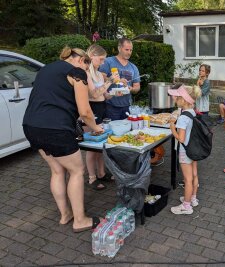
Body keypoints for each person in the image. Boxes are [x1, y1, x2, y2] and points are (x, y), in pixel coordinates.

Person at [22, 47, 102, 232]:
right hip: (55, 129)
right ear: (82, 61)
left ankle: (65, 215)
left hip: (31, 126)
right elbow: (85, 111)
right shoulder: (77, 73)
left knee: (57, 171)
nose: (86, 73)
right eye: (87, 68)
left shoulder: (46, 69)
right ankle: (80, 220)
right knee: (76, 171)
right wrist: (96, 128)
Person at [168, 85, 202, 215]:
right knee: (194, 175)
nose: (175, 99)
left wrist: (172, 126)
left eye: (177, 97)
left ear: (184, 100)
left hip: (185, 151)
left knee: (187, 179)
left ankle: (186, 206)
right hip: (193, 148)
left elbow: (180, 139)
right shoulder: (193, 111)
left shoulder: (182, 118)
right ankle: (192, 198)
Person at [85, 44, 115, 190]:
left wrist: (114, 93)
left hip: (102, 108)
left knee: (102, 143)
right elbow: (94, 94)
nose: (103, 63)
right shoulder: (86, 74)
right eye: (101, 59)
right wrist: (110, 81)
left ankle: (102, 173)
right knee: (92, 146)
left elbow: (104, 95)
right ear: (92, 57)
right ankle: (92, 177)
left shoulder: (98, 73)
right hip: (92, 110)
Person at [99, 37, 140, 120]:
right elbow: (101, 77)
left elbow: (137, 87)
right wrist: (114, 80)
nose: (129, 52)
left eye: (131, 50)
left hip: (127, 106)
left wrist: (130, 88)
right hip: (110, 105)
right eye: (126, 49)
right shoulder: (108, 61)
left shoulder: (133, 67)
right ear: (119, 48)